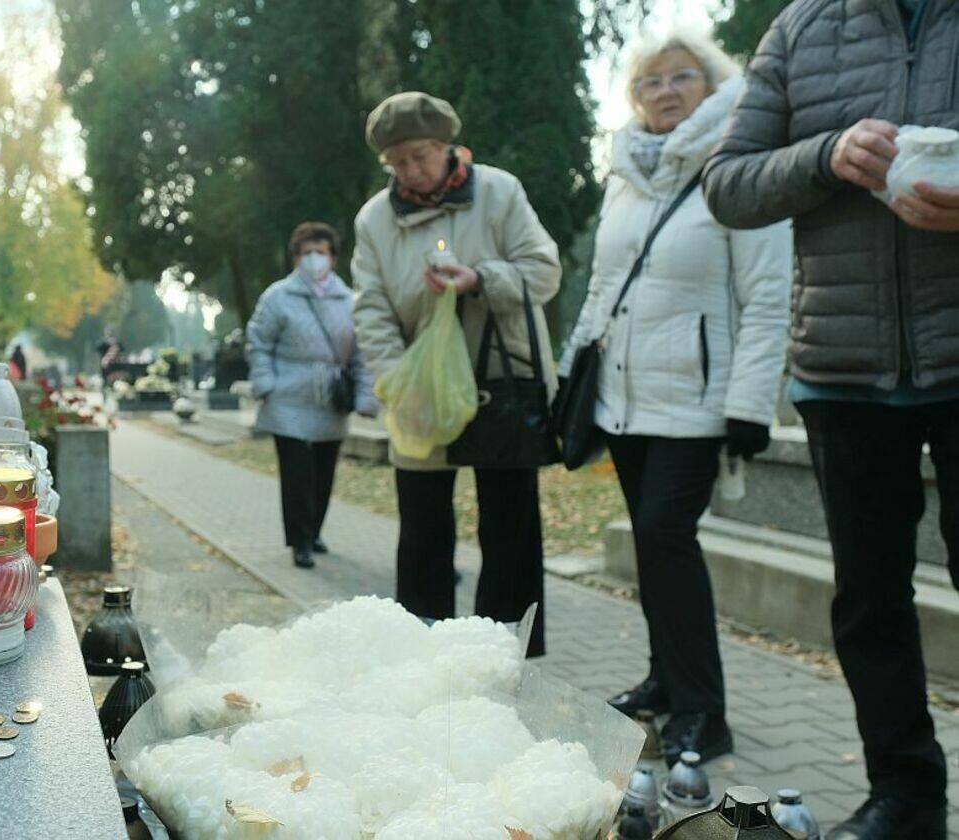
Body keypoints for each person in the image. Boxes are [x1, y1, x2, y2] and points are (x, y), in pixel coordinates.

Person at [704, 2, 959, 836]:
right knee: (869, 602)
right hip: (842, 368)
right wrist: (826, 155)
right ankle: (905, 796)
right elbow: (727, 184)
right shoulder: (800, 29)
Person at [561, 30, 791, 764]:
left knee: (666, 537)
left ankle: (703, 711)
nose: (665, 91)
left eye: (681, 77)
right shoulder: (626, 174)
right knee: (651, 546)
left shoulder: (739, 166)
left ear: (712, 85)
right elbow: (602, 287)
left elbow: (767, 296)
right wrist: (570, 374)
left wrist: (751, 404)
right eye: (650, 82)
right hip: (624, 397)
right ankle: (665, 680)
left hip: (697, 400)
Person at [352, 91, 561, 656]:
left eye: (420, 156)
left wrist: (480, 279)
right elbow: (370, 308)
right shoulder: (375, 220)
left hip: (501, 383)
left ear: (446, 147)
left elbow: (544, 272)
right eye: (397, 162)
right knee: (422, 531)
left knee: (510, 529)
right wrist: (398, 380)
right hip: (420, 393)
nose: (410, 172)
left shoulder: (499, 192)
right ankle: (423, 660)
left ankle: (505, 660)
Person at [247, 222, 379, 569]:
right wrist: (265, 383)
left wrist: (366, 396)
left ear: (333, 258)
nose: (313, 259)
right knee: (296, 474)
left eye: (320, 252)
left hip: (330, 397)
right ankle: (300, 540)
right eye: (306, 253)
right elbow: (259, 342)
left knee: (323, 471)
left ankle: (314, 529)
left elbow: (361, 354)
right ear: (296, 258)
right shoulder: (278, 297)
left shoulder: (349, 301)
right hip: (287, 396)